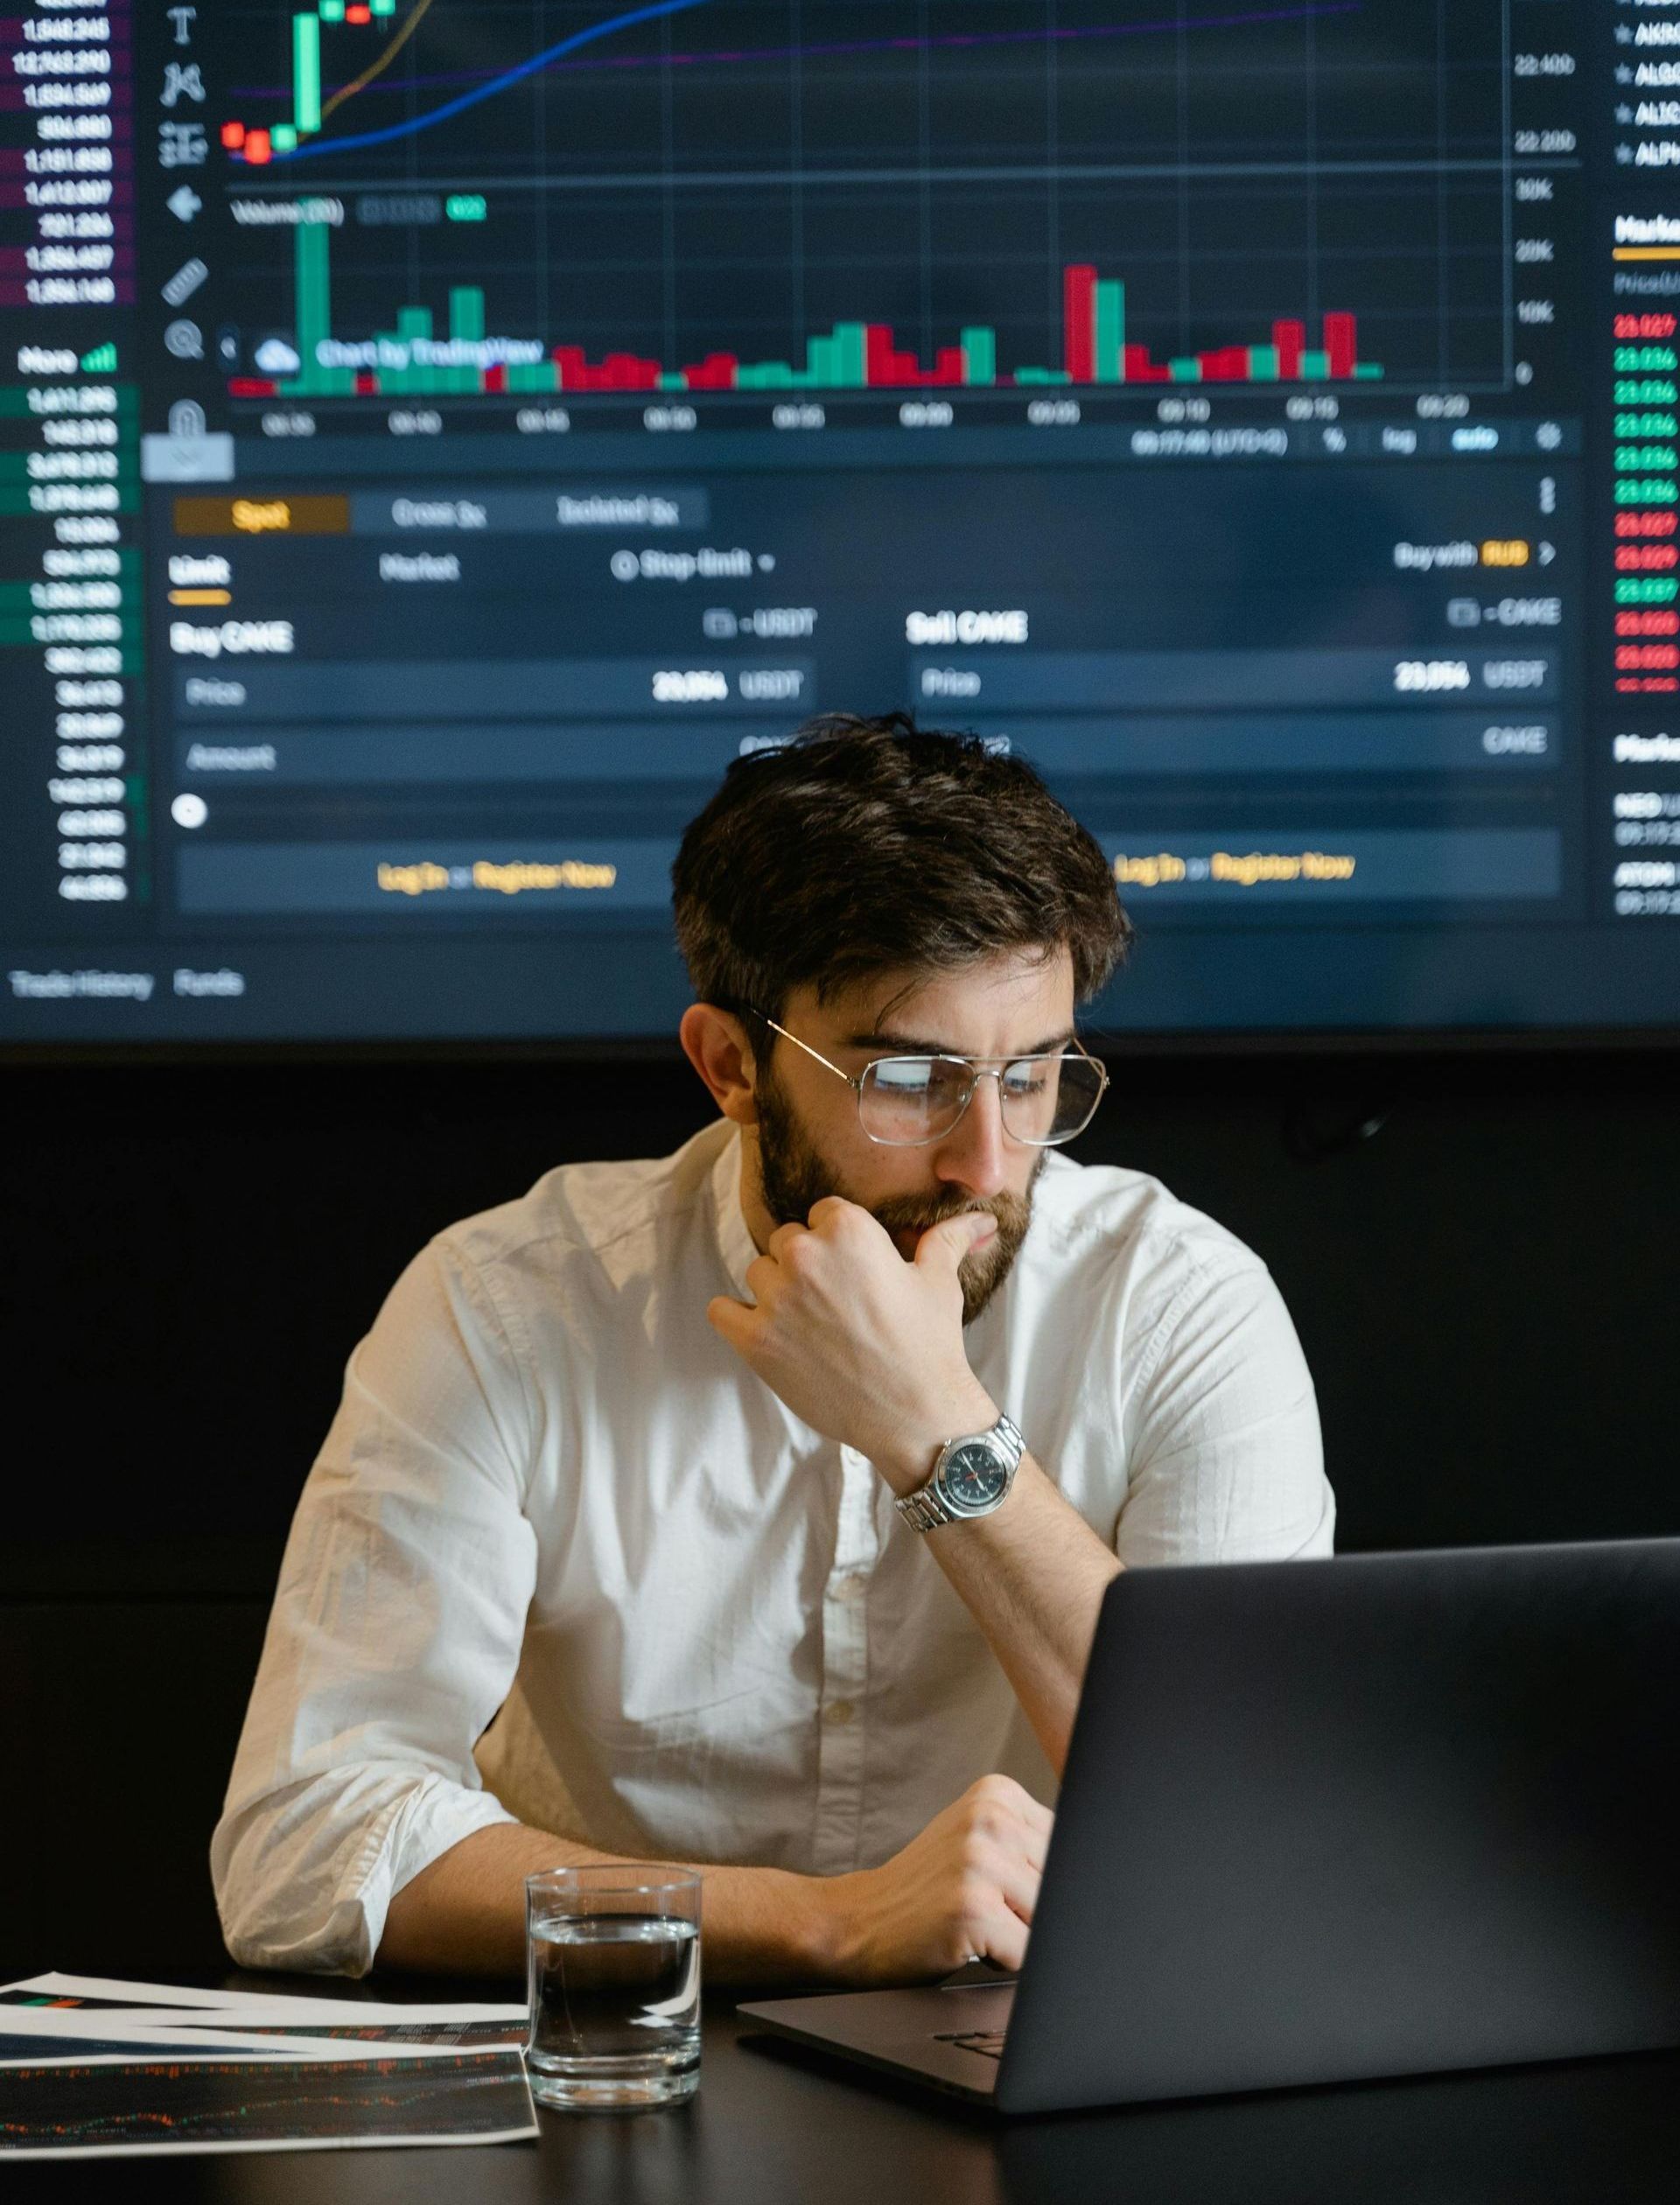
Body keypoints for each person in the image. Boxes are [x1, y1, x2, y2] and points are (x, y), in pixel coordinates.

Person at [213, 715, 1332, 1983]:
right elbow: (303, 1846)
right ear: (731, 1065)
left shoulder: (1182, 1304)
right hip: (626, 2062)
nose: (988, 1162)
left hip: (1042, 2062)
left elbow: (1258, 1820)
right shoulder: (506, 1304)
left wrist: (941, 1439)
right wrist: (831, 1924)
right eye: (911, 1081)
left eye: (1031, 1078)